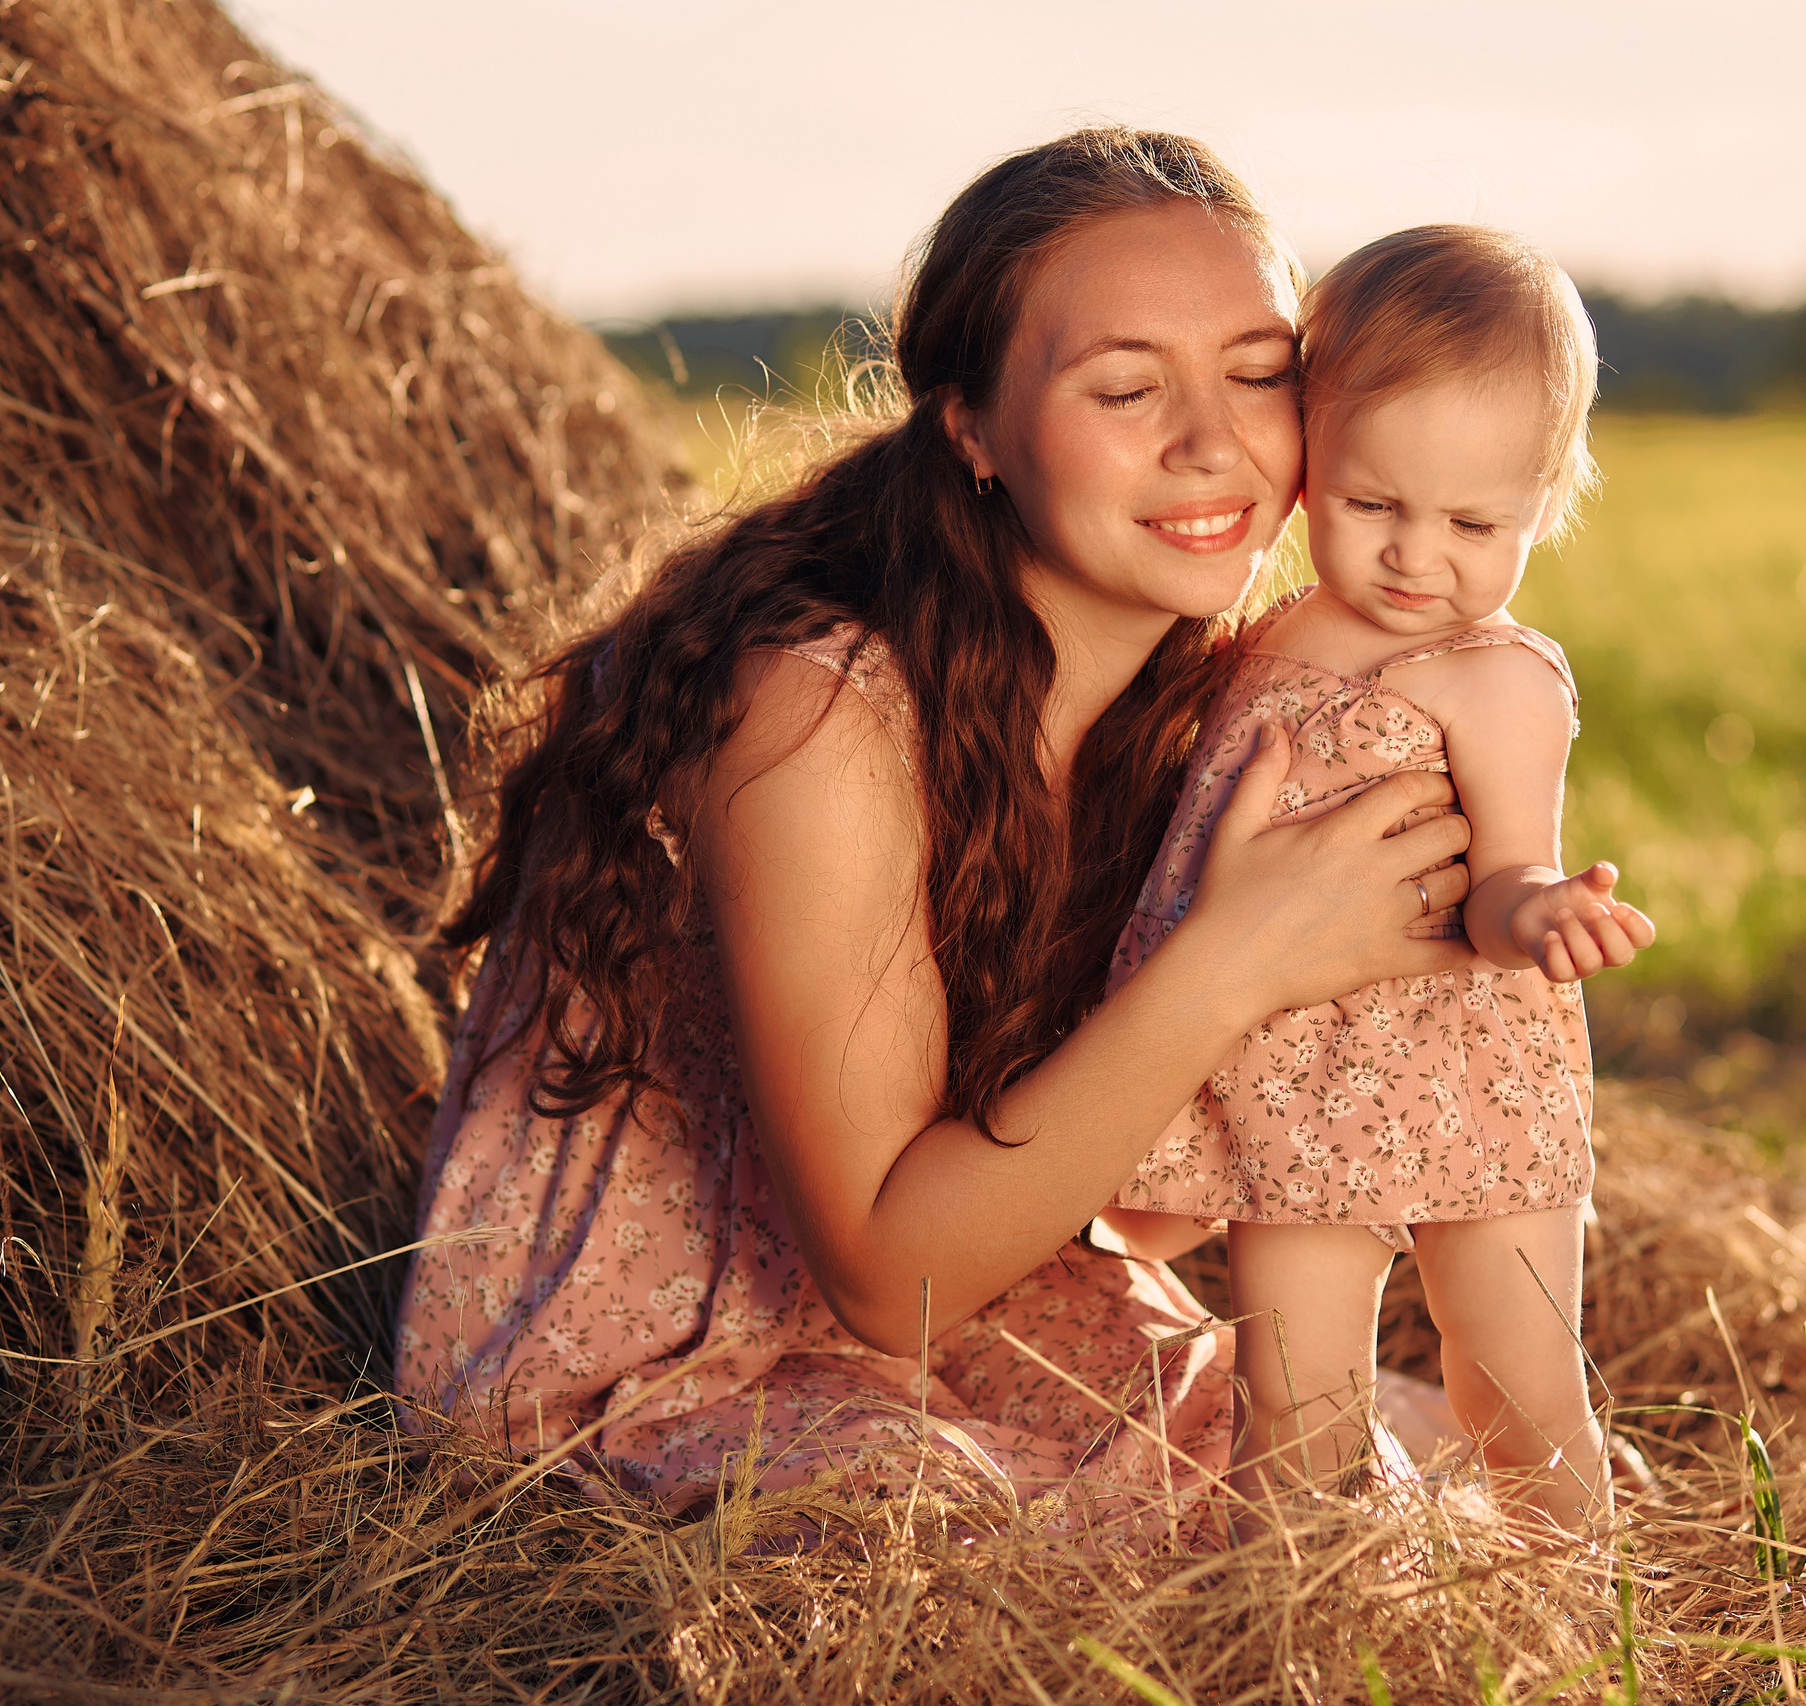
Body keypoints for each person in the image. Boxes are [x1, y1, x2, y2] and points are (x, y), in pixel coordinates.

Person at [393, 128, 1478, 1515]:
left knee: (1420, 1497)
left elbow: (1130, 1198)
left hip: (981, 1286)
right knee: (1009, 1534)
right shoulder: (817, 711)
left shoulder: (1203, 701)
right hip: (665, 1361)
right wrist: (1237, 961)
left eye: (1260, 375)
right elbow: (882, 1274)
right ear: (970, 426)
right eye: (1126, 387)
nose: (1214, 443)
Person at [1104, 226, 1656, 1536]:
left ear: (1544, 502)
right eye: (1372, 506)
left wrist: (1544, 911)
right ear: (1309, 461)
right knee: (1291, 1397)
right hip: (1294, 1074)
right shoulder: (1269, 639)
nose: (1418, 555)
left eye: (1474, 523)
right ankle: (1285, 1631)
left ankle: (1580, 1607)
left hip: (1471, 1067)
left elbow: (1505, 868)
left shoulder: (1498, 679)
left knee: (1510, 1378)